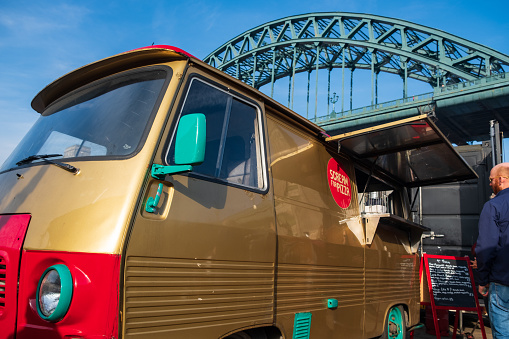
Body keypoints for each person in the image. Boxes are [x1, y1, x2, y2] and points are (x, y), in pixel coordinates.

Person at [476, 162, 509, 338]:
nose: (490, 184)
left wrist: (482, 280)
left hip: (502, 281)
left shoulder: (493, 206)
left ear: (501, 180)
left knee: (503, 332)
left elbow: (486, 247)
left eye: (491, 180)